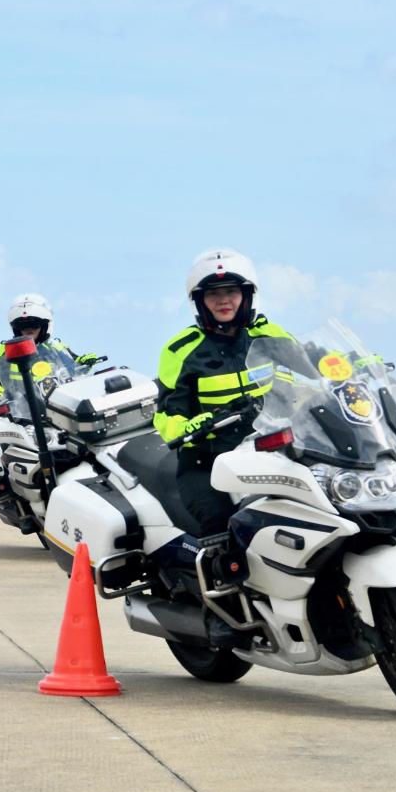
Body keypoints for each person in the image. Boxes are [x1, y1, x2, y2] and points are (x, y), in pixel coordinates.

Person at [154, 249, 300, 644]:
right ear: (200, 301)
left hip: (272, 452)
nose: (224, 300)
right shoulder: (180, 349)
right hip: (209, 462)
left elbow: (313, 362)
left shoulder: (269, 337)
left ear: (246, 295)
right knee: (220, 523)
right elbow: (165, 412)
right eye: (214, 293)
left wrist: (355, 365)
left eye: (232, 291)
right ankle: (225, 612)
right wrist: (192, 425)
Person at [0, 293, 97, 409]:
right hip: (21, 409)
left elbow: (73, 365)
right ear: (16, 328)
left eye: (33, 324)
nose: (29, 329)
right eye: (23, 326)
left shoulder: (56, 345)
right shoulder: (6, 348)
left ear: (44, 326)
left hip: (61, 404)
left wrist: (84, 362)